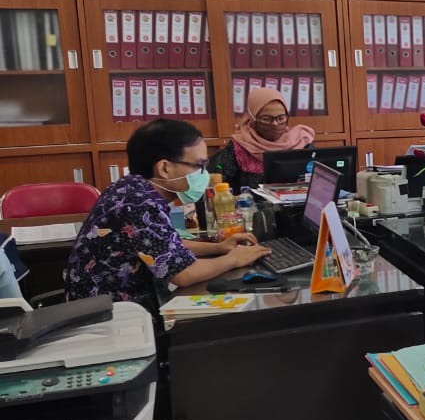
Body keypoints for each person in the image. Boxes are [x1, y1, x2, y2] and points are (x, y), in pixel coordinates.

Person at [66, 119, 271, 314]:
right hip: (113, 314)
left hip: (107, 304)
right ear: (164, 168)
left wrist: (219, 248)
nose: (204, 174)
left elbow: (164, 244)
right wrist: (233, 259)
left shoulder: (131, 187)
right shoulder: (140, 204)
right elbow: (184, 274)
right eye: (198, 166)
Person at [210, 87, 315, 191]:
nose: (275, 124)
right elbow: (221, 186)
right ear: (253, 118)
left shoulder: (301, 142)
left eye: (281, 118)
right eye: (266, 119)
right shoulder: (237, 147)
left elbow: (315, 180)